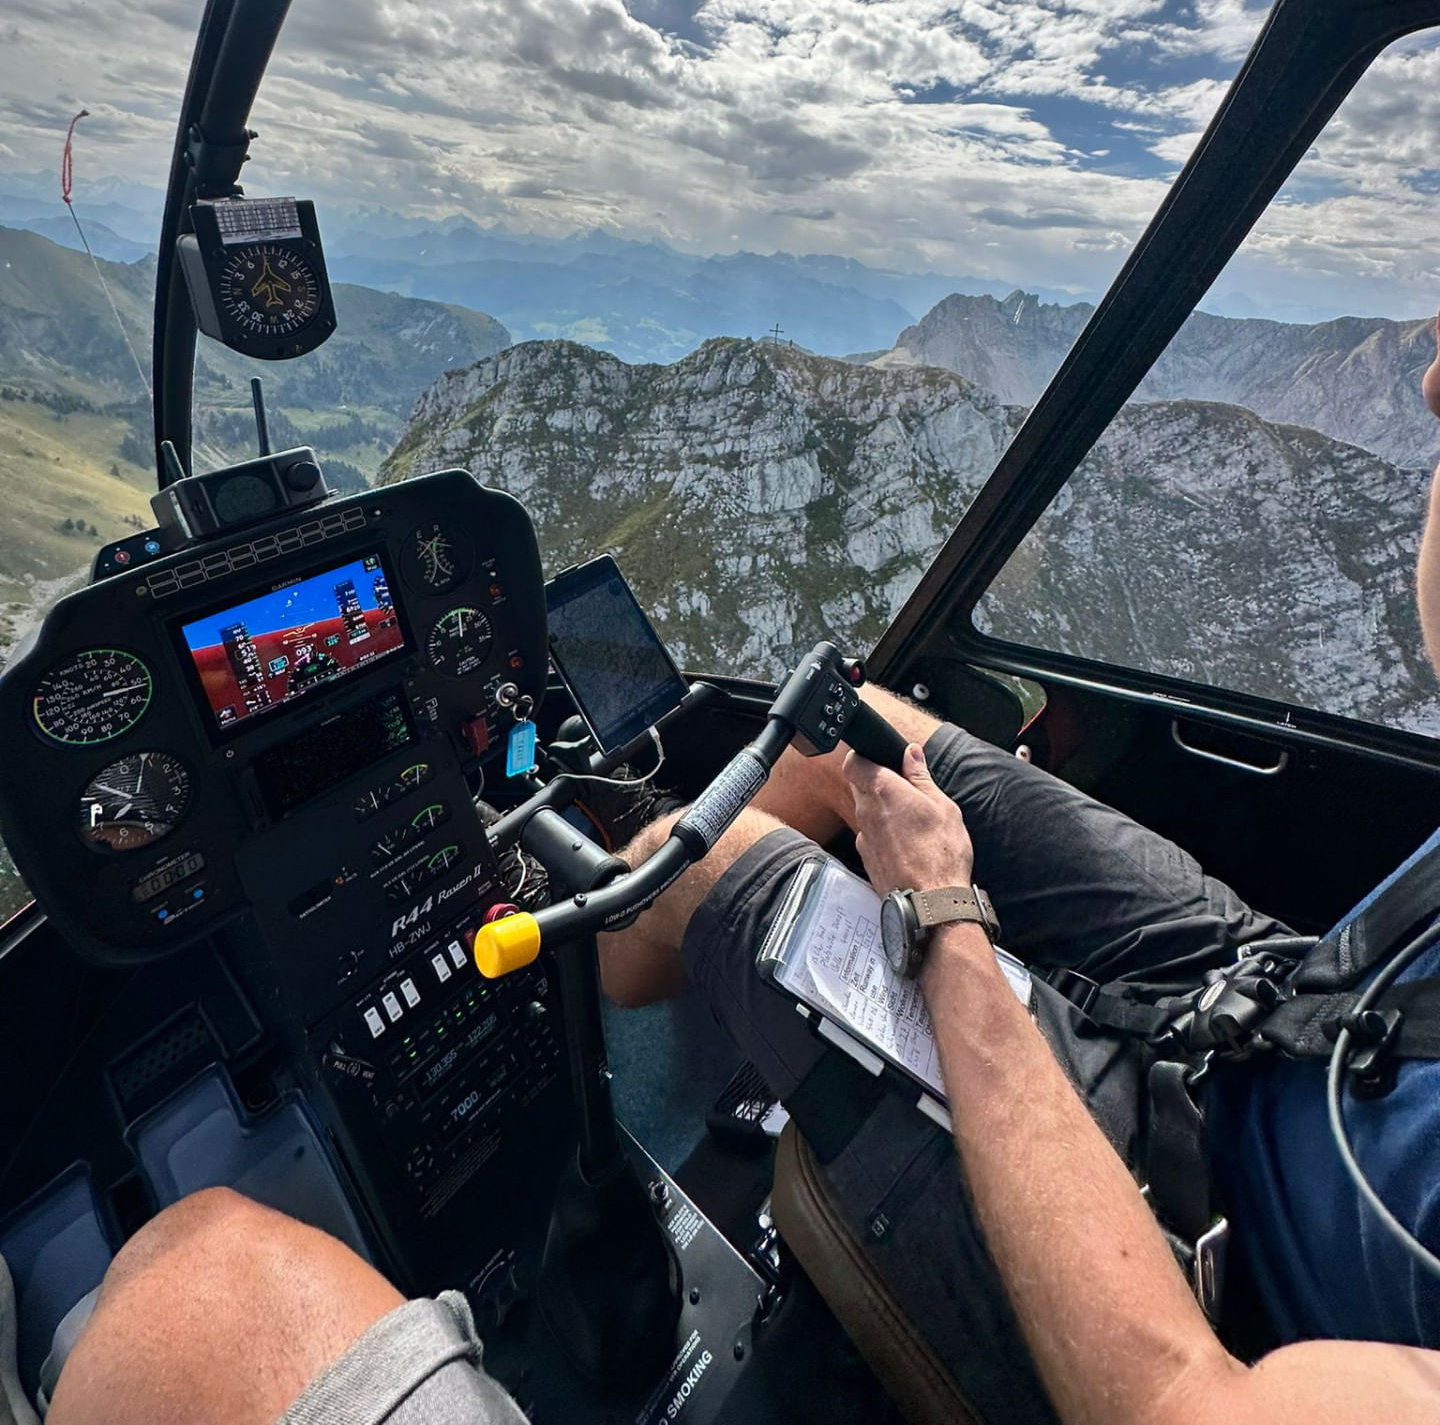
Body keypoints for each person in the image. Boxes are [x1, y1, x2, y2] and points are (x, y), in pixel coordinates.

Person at [34, 331, 1440, 1424]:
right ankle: (562, 996)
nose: (1430, 381)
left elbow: (1179, 1403)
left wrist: (945, 922)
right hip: (1299, 1015)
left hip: (1226, 1269)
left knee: (194, 1276)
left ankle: (571, 1027)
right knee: (869, 744)